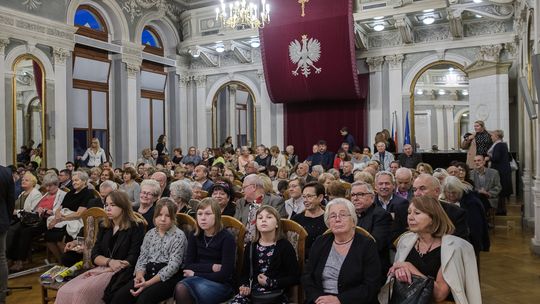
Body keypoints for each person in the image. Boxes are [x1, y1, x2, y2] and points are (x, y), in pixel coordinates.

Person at [380, 196, 481, 304]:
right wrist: (400, 271)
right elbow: (398, 271)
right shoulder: (405, 240)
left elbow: (439, 295)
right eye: (409, 212)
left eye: (417, 213)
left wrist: (409, 267)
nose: (410, 217)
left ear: (433, 218)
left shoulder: (452, 248)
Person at [55, 191, 145, 304]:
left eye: (112, 205)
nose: (108, 208)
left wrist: (110, 267)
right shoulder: (104, 224)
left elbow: (134, 257)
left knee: (80, 293)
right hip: (103, 267)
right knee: (64, 291)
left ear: (123, 206)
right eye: (106, 205)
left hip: (122, 272)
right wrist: (109, 262)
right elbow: (94, 254)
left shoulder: (136, 226)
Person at [302, 198, 381, 304]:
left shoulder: (367, 245)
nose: (337, 219)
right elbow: (307, 276)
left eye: (343, 215)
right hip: (321, 300)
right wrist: (318, 298)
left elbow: (372, 285)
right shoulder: (320, 241)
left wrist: (340, 300)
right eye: (333, 216)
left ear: (353, 221)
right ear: (328, 222)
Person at [110, 198, 187, 304]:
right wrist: (139, 276)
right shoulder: (150, 234)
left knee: (144, 299)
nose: (163, 219)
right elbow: (142, 257)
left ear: (174, 218)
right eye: (159, 215)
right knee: (120, 297)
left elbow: (173, 266)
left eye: (168, 216)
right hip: (148, 272)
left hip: (167, 278)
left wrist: (147, 284)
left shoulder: (179, 236)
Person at [230, 205, 299, 304]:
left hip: (276, 294)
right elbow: (244, 274)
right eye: (260, 218)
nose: (264, 220)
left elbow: (295, 277)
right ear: (256, 224)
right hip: (253, 294)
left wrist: (271, 282)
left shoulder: (285, 246)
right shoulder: (251, 246)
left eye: (269, 217)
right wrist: (244, 285)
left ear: (277, 224)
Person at [174, 198, 236, 304]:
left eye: (208, 214)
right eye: (200, 214)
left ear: (216, 216)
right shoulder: (194, 234)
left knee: (183, 288)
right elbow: (188, 265)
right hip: (197, 280)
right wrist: (212, 267)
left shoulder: (227, 238)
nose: (203, 218)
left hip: (220, 284)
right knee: (181, 287)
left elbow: (224, 274)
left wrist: (195, 274)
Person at [8, 173, 66, 272]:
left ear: (56, 184)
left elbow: (60, 211)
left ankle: (20, 261)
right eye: (46, 185)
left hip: (49, 221)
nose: (48, 188)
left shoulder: (62, 195)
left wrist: (47, 211)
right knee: (17, 229)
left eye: (50, 186)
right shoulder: (46, 195)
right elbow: (34, 209)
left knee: (26, 232)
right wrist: (39, 210)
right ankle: (12, 258)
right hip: (38, 219)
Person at [45, 171, 93, 262]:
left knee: (59, 238)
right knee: (48, 236)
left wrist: (59, 220)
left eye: (77, 180)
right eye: (73, 180)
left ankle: (66, 261)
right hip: (63, 218)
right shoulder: (70, 193)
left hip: (77, 220)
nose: (74, 182)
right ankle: (60, 261)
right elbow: (60, 208)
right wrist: (57, 218)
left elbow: (79, 213)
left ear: (84, 181)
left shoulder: (88, 193)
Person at [351, 181, 392, 281]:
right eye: (353, 195)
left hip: (372, 267)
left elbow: (376, 245)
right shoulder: (350, 215)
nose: (355, 198)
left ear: (372, 197)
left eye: (360, 194)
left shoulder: (381, 215)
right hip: (353, 263)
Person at [442, 176, 490, 255]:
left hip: (470, 243)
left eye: (454, 192)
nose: (451, 195)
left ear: (459, 190)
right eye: (448, 192)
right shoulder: (457, 200)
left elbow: (475, 228)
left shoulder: (471, 203)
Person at [292, 182, 327, 259]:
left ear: (320, 197)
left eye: (309, 196)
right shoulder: (296, 219)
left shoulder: (329, 219)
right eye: (304, 197)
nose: (305, 200)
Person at [487, 129, 513, 215]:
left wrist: (488, 158)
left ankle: (500, 210)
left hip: (500, 170)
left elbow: (496, 158)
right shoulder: (504, 144)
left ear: (497, 136)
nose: (491, 137)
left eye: (492, 135)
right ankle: (501, 210)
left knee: (500, 189)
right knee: (502, 191)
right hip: (504, 170)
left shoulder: (498, 145)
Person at [0, 165, 15, 304]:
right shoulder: (5, 172)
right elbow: (11, 201)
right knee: (1, 259)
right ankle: (2, 295)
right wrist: (7, 218)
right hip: (2, 219)